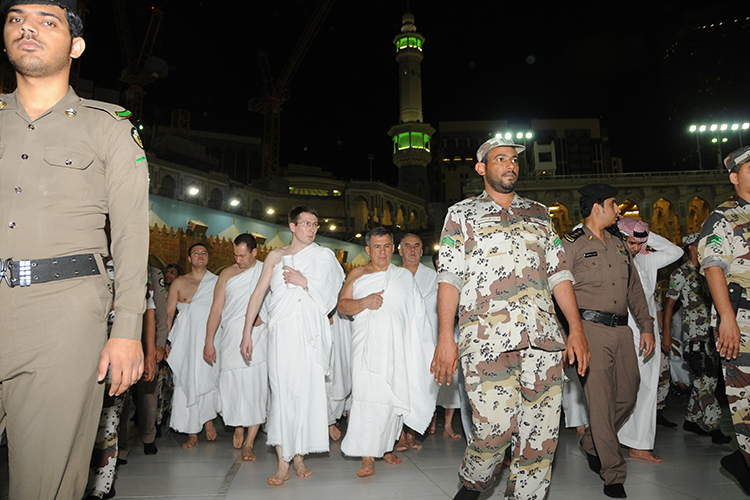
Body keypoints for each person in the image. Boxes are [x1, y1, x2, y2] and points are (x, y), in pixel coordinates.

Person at [0, 2, 149, 498]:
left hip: (61, 318)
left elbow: (131, 233)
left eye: (48, 20)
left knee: (44, 482)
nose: (28, 28)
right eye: (16, 18)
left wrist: (128, 331)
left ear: (76, 46)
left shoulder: (107, 128)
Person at [431, 137, 590, 500]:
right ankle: (472, 486)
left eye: (514, 160)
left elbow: (559, 274)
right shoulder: (461, 214)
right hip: (487, 341)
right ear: (482, 168)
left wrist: (576, 330)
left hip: (544, 341)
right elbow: (450, 277)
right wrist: (445, 337)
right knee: (493, 433)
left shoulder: (539, 213)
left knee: (541, 441)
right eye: (500, 159)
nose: (511, 165)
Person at [561, 183, 654, 499]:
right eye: (614, 204)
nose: (619, 210)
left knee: (628, 394)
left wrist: (646, 326)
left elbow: (634, 290)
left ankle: (591, 442)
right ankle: (613, 475)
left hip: (621, 331)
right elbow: (558, 292)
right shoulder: (570, 244)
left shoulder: (617, 244)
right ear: (597, 207)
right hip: (590, 332)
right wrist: (569, 336)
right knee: (599, 404)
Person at [240, 206, 345, 486]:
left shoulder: (324, 256)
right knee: (283, 393)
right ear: (292, 226)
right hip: (283, 334)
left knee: (306, 393)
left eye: (315, 224)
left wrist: (305, 281)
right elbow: (258, 294)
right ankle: (283, 461)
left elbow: (333, 292)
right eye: (306, 223)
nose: (311, 229)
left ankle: (299, 456)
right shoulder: (275, 256)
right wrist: (246, 332)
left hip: (310, 336)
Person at [339, 228, 438, 477]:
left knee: (393, 397)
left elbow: (418, 316)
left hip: (397, 347)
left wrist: (422, 347)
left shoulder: (403, 277)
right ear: (367, 250)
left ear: (393, 249)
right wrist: (365, 302)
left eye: (386, 246)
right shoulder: (358, 273)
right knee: (366, 398)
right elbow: (342, 305)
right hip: (366, 348)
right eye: (376, 247)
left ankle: (386, 447)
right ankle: (367, 457)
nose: (381, 252)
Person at [698, 145, 750, 495]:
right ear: (734, 178)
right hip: (743, 328)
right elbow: (713, 265)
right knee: (747, 412)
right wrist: (727, 319)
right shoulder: (723, 217)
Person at [615, 217, 683, 462]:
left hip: (647, 333)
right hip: (621, 332)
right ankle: (611, 437)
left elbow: (676, 251)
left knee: (647, 386)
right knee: (621, 388)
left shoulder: (647, 260)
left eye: (637, 243)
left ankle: (640, 444)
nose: (634, 247)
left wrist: (644, 234)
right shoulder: (611, 262)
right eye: (629, 242)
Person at [203, 233, 268, 461]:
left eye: (243, 256)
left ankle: (250, 443)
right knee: (232, 385)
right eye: (235, 255)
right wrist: (208, 340)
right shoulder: (227, 274)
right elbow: (216, 309)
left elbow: (277, 302)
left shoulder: (265, 270)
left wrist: (264, 317)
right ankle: (238, 424)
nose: (238, 260)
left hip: (258, 335)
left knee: (255, 387)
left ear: (254, 253)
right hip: (230, 335)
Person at [664, 233, 731, 444]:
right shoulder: (680, 273)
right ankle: (714, 426)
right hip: (695, 336)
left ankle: (691, 420)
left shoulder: (708, 271)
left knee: (709, 380)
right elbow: (669, 305)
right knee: (703, 380)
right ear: (691, 247)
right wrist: (666, 333)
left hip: (713, 334)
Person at [166, 243, 219, 448]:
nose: (200, 255)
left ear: (208, 258)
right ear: (189, 258)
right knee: (186, 379)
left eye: (204, 253)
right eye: (196, 253)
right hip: (185, 340)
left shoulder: (216, 282)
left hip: (209, 338)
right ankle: (191, 431)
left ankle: (207, 422)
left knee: (207, 377)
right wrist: (166, 341)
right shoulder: (179, 283)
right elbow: (169, 314)